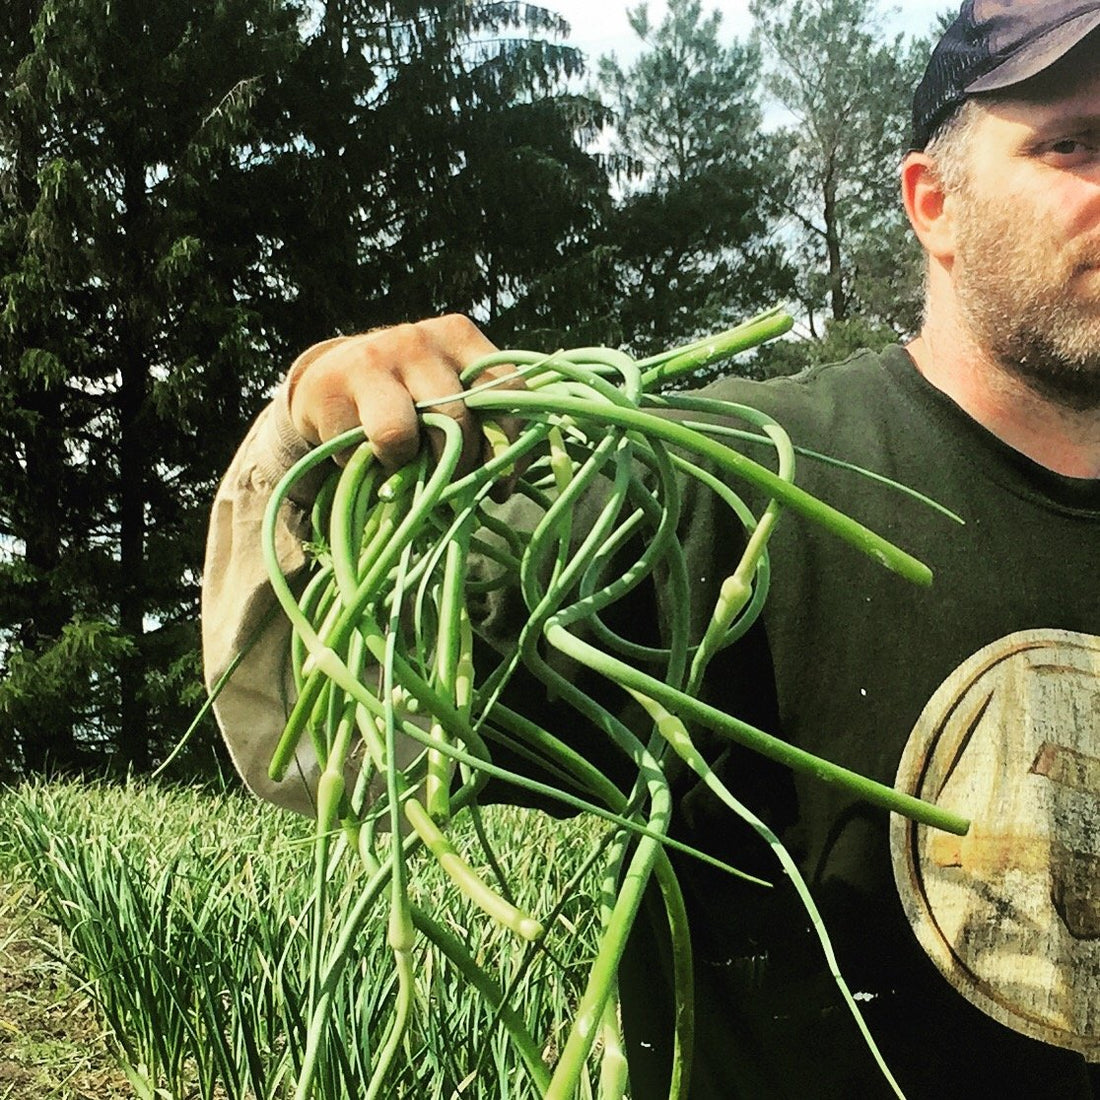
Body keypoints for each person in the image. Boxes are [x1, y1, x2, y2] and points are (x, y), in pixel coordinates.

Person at [202, 2, 1100, 1096]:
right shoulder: (728, 479)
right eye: (1075, 143)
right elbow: (317, 734)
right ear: (933, 204)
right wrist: (308, 428)